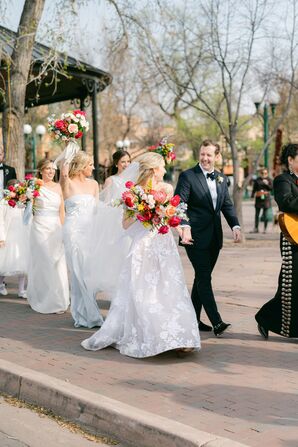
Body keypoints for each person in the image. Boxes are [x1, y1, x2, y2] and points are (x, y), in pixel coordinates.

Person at [81, 152, 201, 358]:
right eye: (162, 166)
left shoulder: (167, 189)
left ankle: (179, 337)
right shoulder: (133, 194)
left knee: (169, 289)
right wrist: (141, 211)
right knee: (144, 292)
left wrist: (181, 229)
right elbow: (125, 225)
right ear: (154, 169)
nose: (165, 170)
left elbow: (173, 217)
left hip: (164, 246)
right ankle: (151, 335)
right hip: (142, 247)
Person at [175, 139, 241, 337]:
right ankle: (217, 322)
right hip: (193, 237)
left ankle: (193, 319)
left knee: (201, 278)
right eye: (202, 154)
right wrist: (184, 226)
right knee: (204, 277)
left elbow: (227, 204)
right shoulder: (188, 176)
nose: (204, 158)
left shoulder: (221, 178)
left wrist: (235, 225)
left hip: (214, 238)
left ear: (217, 157)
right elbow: (180, 204)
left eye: (209, 155)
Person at [255, 143, 298, 339]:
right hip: (292, 237)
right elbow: (286, 202)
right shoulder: (283, 180)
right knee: (290, 284)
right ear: (290, 160)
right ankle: (265, 317)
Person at [60, 151, 103, 328]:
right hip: (74, 232)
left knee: (90, 273)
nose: (93, 167)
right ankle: (85, 314)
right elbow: (63, 170)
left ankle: (88, 310)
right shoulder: (67, 183)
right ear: (80, 166)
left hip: (90, 232)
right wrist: (69, 142)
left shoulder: (94, 185)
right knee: (78, 273)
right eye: (90, 164)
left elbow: (97, 210)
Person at [27, 159, 69, 314]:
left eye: (53, 169)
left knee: (57, 262)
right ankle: (41, 297)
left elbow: (62, 211)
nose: (51, 171)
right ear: (41, 171)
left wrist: (64, 229)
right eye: (48, 169)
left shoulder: (58, 187)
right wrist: (27, 196)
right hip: (39, 226)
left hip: (55, 228)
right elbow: (26, 206)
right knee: (43, 261)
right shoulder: (34, 185)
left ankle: (58, 299)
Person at [0, 180, 29, 298]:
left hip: (21, 235)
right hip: (9, 235)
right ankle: (1, 284)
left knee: (22, 264)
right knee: (5, 262)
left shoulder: (22, 203)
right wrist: (1, 238)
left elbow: (27, 217)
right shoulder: (4, 202)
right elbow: (1, 221)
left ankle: (21, 290)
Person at [251, 168, 273, 233]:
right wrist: (252, 196)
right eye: (262, 173)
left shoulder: (269, 180)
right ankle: (256, 228)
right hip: (258, 198)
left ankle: (265, 229)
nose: (264, 174)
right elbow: (254, 188)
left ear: (267, 173)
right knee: (257, 214)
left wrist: (266, 184)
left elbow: (271, 188)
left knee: (265, 215)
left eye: (265, 173)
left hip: (266, 199)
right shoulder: (257, 180)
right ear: (260, 173)